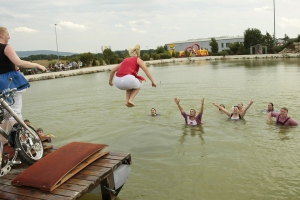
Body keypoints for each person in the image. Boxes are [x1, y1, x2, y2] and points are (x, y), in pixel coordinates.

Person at [0, 26, 46, 133]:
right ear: (1, 35)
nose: (9, 37)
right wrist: (37, 65)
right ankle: (18, 140)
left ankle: (3, 142)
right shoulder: (6, 47)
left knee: (3, 114)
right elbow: (19, 62)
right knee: (14, 111)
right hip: (9, 82)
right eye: (7, 34)